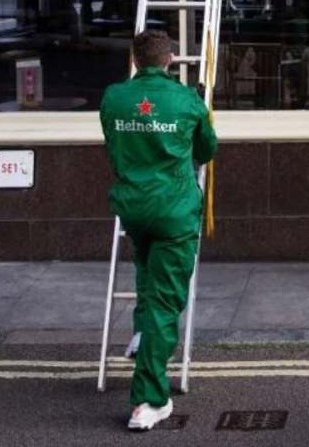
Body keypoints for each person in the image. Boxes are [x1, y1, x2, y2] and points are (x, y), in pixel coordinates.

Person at [100, 29, 217, 431]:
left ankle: (140, 332)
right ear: (169, 61)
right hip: (174, 211)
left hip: (134, 208)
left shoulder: (114, 98)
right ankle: (148, 400)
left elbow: (114, 146)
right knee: (167, 304)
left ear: (135, 60)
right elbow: (207, 151)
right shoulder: (188, 101)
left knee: (146, 267)